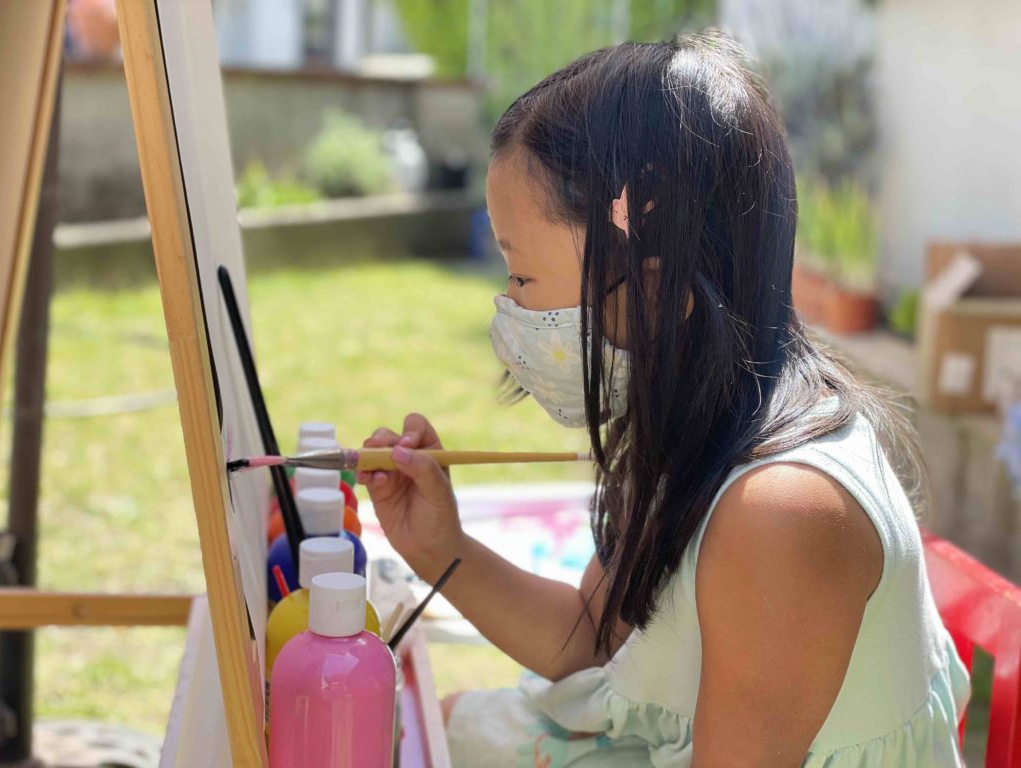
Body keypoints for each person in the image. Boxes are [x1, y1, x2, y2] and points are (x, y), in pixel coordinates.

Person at [357, 32, 969, 767]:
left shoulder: (778, 515)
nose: (508, 307)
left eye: (521, 278)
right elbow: (591, 644)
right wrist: (440, 549)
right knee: (430, 726)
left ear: (650, 284)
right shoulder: (702, 421)